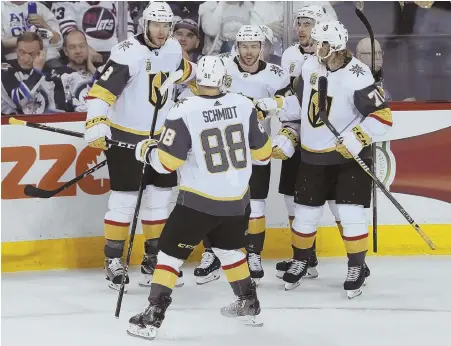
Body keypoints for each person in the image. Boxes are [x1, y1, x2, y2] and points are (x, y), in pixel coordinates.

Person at [127, 55, 269, 340]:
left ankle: (153, 316)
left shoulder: (184, 110)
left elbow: (167, 163)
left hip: (198, 203)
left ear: (195, 80)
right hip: (238, 201)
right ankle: (248, 302)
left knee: (169, 256)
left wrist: (146, 151)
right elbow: (263, 155)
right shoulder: (244, 104)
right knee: (230, 251)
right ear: (223, 79)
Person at [84, 1, 195, 292]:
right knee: (124, 203)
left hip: (161, 140)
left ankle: (152, 258)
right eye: (156, 25)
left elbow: (183, 71)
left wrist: (204, 78)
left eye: (166, 26)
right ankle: (113, 260)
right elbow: (100, 92)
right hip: (126, 141)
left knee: (159, 200)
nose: (162, 31)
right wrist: (96, 121)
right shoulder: (127, 52)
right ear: (144, 24)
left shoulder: (172, 48)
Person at [287, 20, 392, 296]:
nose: (314, 48)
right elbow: (298, 101)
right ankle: (300, 261)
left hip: (348, 160)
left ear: (334, 47)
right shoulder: (311, 66)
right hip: (312, 157)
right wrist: (275, 110)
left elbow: (383, 117)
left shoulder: (359, 75)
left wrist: (357, 137)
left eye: (320, 44)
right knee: (305, 216)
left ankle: (356, 265)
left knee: (350, 215)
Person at [193, 25, 299, 286]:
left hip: (256, 148)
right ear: (236, 47)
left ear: (262, 48)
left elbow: (294, 109)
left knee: (257, 205)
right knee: (215, 201)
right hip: (223, 149)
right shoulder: (221, 66)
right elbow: (198, 97)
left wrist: (285, 135)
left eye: (254, 46)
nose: (249, 52)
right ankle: (212, 252)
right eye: (244, 46)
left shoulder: (276, 75)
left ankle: (253, 253)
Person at [258, 4, 343, 281]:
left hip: (327, 136)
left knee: (335, 201)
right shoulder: (291, 55)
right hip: (298, 130)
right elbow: (289, 94)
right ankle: (304, 256)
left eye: (308, 23)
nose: (302, 28)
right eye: (300, 23)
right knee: (291, 196)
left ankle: (357, 259)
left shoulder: (334, 57)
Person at [1, 32, 59, 114]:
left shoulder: (52, 74)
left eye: (32, 54)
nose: (26, 59)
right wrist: (37, 72)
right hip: (11, 124)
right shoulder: (4, 71)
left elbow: (61, 110)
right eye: (22, 52)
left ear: (41, 53)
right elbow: (18, 99)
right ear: (16, 51)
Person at [51, 30, 98, 112]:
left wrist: (93, 70)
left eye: (82, 46)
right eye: (72, 47)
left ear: (88, 48)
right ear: (65, 51)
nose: (78, 51)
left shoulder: (99, 71)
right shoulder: (58, 75)